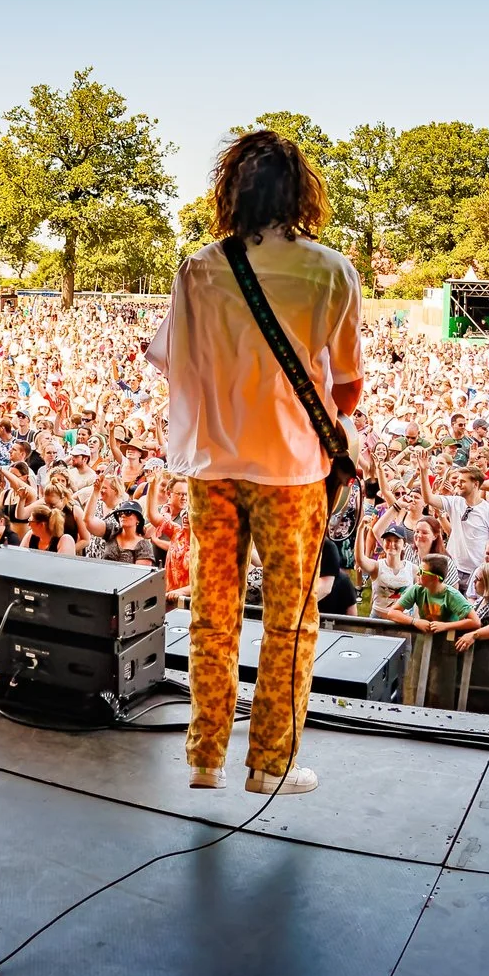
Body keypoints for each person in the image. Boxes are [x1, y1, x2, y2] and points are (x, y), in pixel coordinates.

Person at [148, 129, 362, 797]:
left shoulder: (198, 267)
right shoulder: (331, 270)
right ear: (300, 190)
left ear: (231, 190)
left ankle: (205, 756)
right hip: (291, 471)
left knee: (213, 613)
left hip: (211, 467)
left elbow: (170, 363)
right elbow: (348, 388)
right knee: (290, 621)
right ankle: (270, 762)